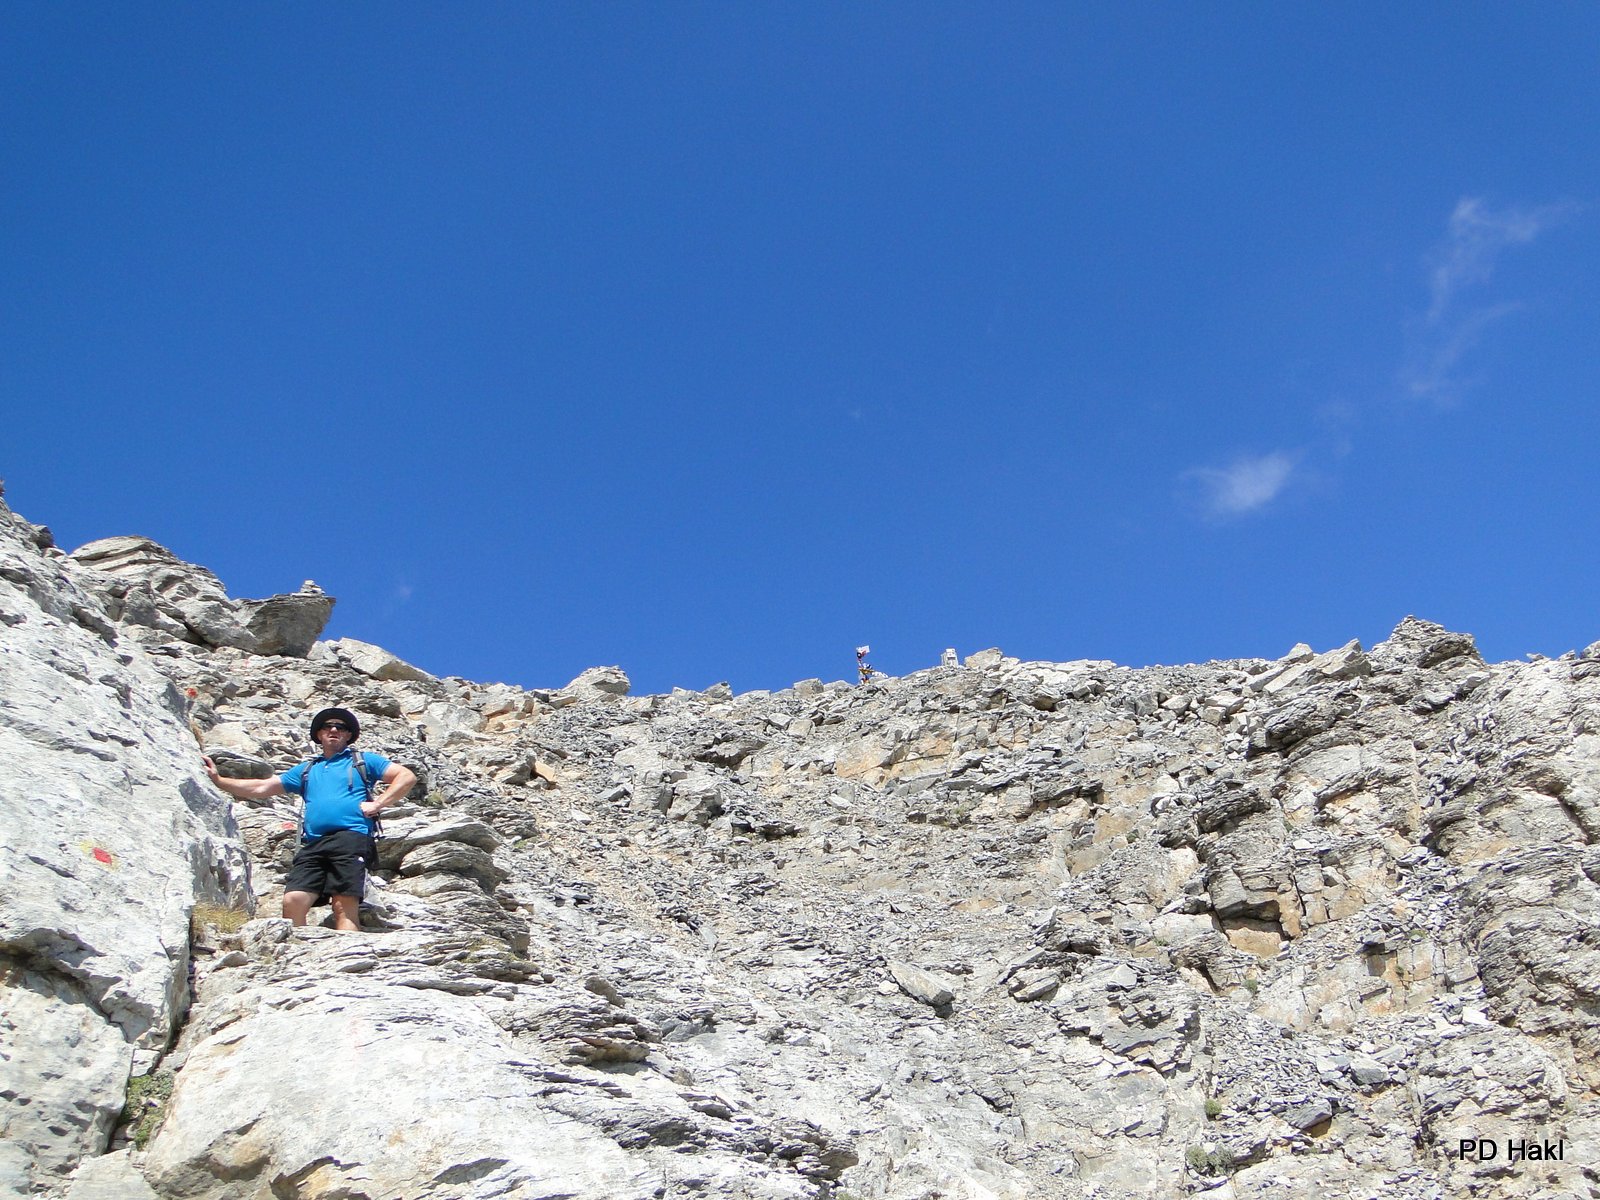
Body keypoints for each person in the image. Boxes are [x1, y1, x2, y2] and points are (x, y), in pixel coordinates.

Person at [203, 707, 416, 931]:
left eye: (341, 727)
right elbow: (262, 787)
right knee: (293, 900)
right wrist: (219, 781)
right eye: (327, 726)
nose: (334, 730)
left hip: (351, 837)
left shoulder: (362, 761)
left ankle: (346, 949)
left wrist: (378, 804)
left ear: (349, 735)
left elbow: (406, 776)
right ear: (319, 734)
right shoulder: (307, 770)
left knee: (343, 904)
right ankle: (298, 946)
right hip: (314, 842)